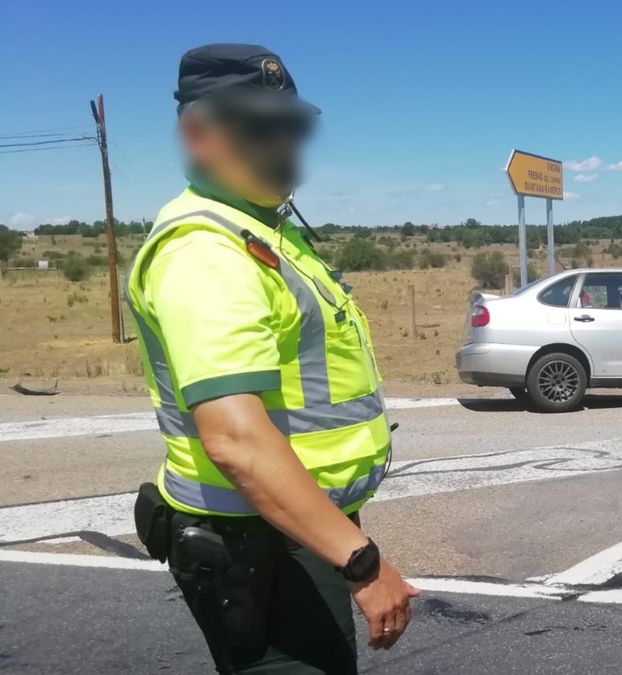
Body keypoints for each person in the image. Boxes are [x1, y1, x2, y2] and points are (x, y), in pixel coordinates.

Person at [127, 44, 419, 674]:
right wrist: (361, 561)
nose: (281, 143)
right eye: (258, 127)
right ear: (196, 131)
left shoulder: (258, 232)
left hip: (292, 526)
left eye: (289, 125)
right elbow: (235, 439)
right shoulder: (207, 252)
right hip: (255, 543)